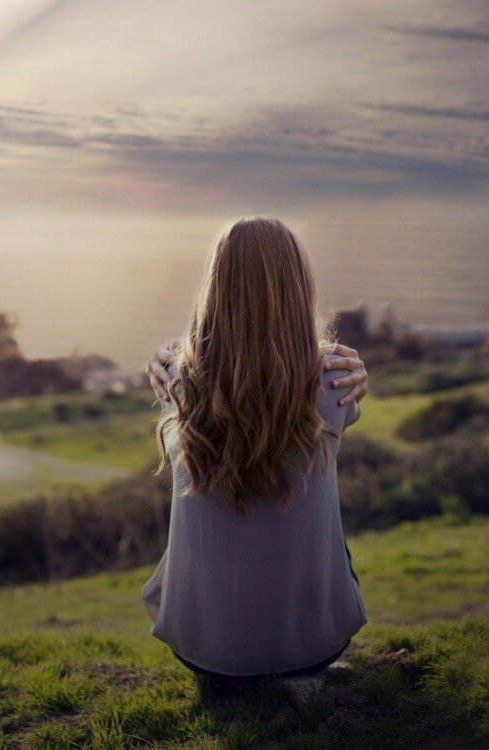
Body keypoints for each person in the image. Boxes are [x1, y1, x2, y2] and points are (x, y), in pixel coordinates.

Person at [140, 216, 371, 680]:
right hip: (312, 649)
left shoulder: (180, 383)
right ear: (298, 289)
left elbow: (204, 370)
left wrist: (170, 362)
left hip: (201, 650)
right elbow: (344, 406)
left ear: (214, 291)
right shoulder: (332, 382)